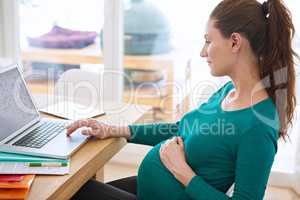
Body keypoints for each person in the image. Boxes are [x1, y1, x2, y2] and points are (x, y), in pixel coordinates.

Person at [67, 0, 299, 199]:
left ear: (235, 42)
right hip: (151, 189)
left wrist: (183, 172)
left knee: (72, 192)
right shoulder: (228, 91)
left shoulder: (259, 124)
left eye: (209, 41)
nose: (202, 51)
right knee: (73, 189)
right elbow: (181, 128)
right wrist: (113, 129)